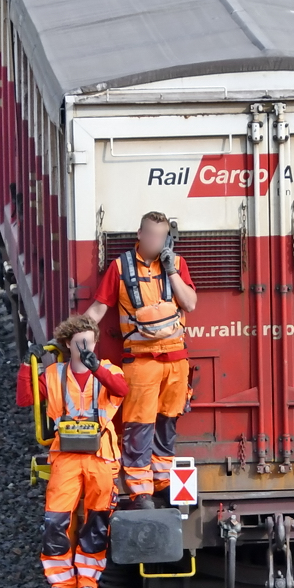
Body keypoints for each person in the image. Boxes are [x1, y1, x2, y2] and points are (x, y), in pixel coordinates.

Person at [84, 211, 197, 509]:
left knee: (166, 426)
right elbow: (97, 310)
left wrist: (172, 271)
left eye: (162, 236)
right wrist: (72, 338)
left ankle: (163, 484)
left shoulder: (177, 264)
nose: (157, 241)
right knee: (138, 428)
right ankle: (140, 492)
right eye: (152, 235)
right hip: (141, 361)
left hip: (176, 362)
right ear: (140, 234)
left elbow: (190, 303)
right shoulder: (120, 267)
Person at [16, 314, 128, 588]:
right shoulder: (53, 376)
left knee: (97, 521)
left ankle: (88, 581)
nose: (87, 347)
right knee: (55, 520)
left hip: (100, 457)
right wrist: (26, 365)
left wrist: (97, 371)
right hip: (66, 457)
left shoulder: (109, 370)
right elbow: (25, 398)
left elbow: (122, 391)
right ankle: (60, 582)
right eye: (80, 342)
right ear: (68, 343)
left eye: (90, 341)